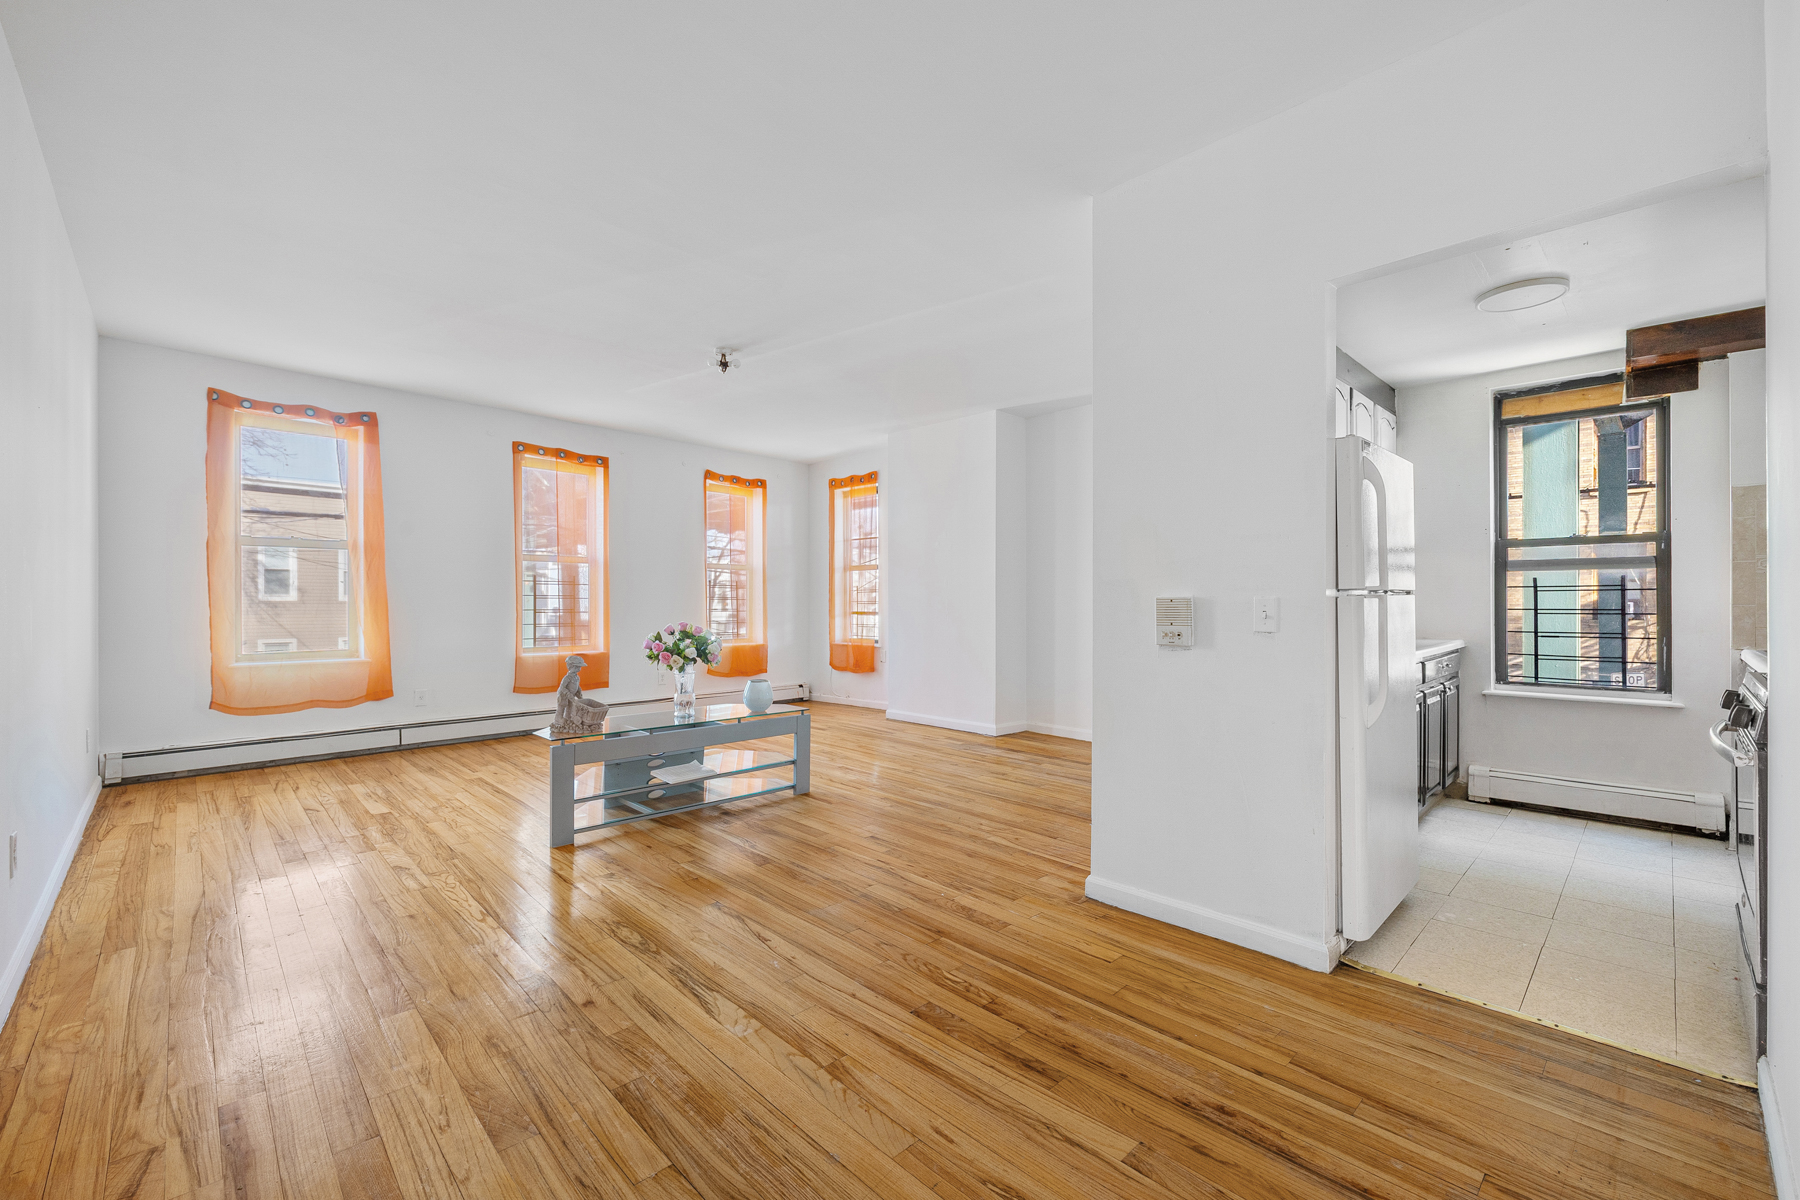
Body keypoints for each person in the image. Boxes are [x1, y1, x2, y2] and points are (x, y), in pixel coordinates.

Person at [550, 655, 609, 734]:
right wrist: (569, 695)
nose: (579, 669)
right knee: (562, 707)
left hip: (572, 696)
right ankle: (558, 719)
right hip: (564, 696)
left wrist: (579, 695)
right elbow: (562, 688)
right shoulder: (567, 678)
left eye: (579, 667)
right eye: (577, 667)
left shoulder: (576, 677)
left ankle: (568, 718)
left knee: (570, 707)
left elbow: (577, 686)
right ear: (571, 666)